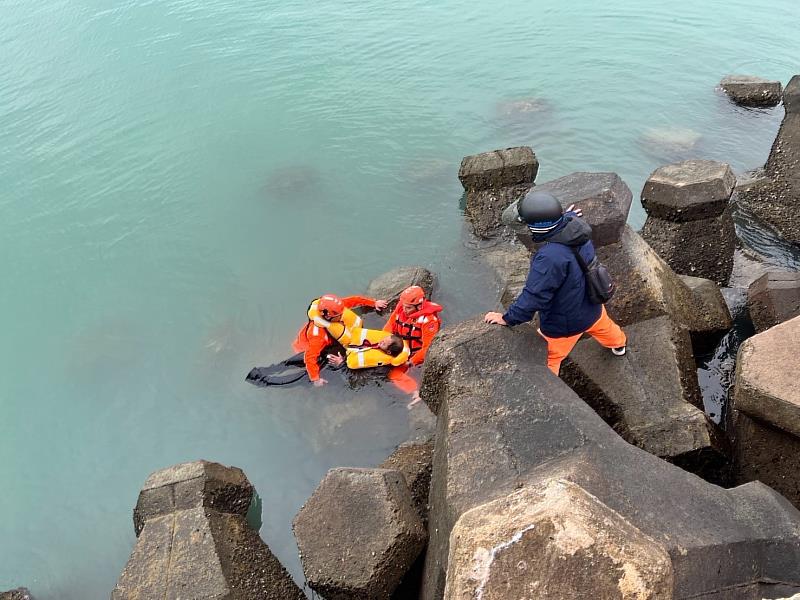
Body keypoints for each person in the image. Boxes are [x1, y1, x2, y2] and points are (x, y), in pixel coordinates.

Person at [484, 190, 626, 375]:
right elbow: (566, 222)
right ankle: (620, 345)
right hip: (593, 305)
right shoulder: (577, 225)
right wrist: (568, 216)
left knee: (550, 357)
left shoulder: (549, 258)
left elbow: (534, 296)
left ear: (538, 227)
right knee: (608, 330)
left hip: (565, 324)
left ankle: (553, 388)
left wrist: (507, 318)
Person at [292, 294, 387, 386]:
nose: (342, 316)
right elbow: (310, 357)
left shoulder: (332, 307)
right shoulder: (317, 335)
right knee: (317, 364)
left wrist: (374, 303)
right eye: (339, 315)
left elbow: (354, 300)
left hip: (327, 338)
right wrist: (315, 378)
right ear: (328, 316)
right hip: (305, 347)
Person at [382, 285, 443, 403]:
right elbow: (390, 325)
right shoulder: (402, 307)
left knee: (393, 373)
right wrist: (382, 339)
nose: (404, 310)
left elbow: (427, 348)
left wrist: (410, 362)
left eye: (409, 308)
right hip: (398, 346)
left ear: (419, 306)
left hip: (414, 355)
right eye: (404, 306)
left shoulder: (429, 321)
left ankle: (415, 391)